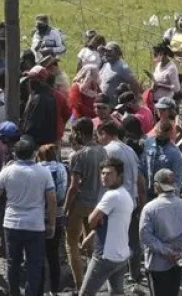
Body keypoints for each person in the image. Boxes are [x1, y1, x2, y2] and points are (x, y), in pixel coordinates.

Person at [0, 139, 55, 296]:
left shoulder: (7, 171)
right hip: (35, 224)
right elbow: (52, 199)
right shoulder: (43, 172)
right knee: (34, 264)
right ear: (34, 153)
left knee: (13, 263)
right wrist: (52, 223)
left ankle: (14, 292)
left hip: (12, 223)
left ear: (15, 154)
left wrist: (2, 170)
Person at [98, 116, 146, 283]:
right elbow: (140, 178)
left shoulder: (109, 150)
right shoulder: (129, 150)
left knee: (115, 239)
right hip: (132, 199)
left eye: (100, 136)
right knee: (133, 239)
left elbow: (107, 179)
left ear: (104, 133)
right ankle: (134, 273)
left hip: (118, 200)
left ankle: (114, 275)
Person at [78, 157, 134, 296]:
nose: (104, 176)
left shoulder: (111, 196)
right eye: (103, 173)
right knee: (117, 292)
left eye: (109, 173)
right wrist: (89, 238)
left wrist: (94, 221)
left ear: (120, 176)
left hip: (105, 256)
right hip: (121, 254)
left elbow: (91, 221)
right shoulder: (125, 194)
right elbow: (109, 223)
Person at [139, 169, 182, 296]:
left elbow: (145, 236)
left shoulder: (150, 208)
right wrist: (177, 250)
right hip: (178, 261)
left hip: (156, 263)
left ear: (157, 186)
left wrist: (166, 251)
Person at [65, 117, 107, 287]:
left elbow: (74, 187)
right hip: (97, 204)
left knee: (71, 244)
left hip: (80, 203)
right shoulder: (103, 151)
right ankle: (92, 284)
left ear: (80, 133)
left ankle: (79, 283)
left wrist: (66, 208)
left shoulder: (78, 155)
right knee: (92, 246)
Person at [37, 144, 67, 294]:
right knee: (53, 256)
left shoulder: (37, 169)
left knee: (39, 256)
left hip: (39, 216)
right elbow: (61, 193)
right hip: (58, 214)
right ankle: (54, 291)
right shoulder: (62, 168)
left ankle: (41, 289)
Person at [143, 120, 182, 199]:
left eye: (162, 136)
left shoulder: (174, 153)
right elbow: (143, 164)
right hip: (148, 190)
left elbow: (177, 178)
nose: (159, 137)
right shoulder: (148, 143)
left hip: (163, 193)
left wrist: (174, 198)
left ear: (169, 134)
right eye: (158, 134)